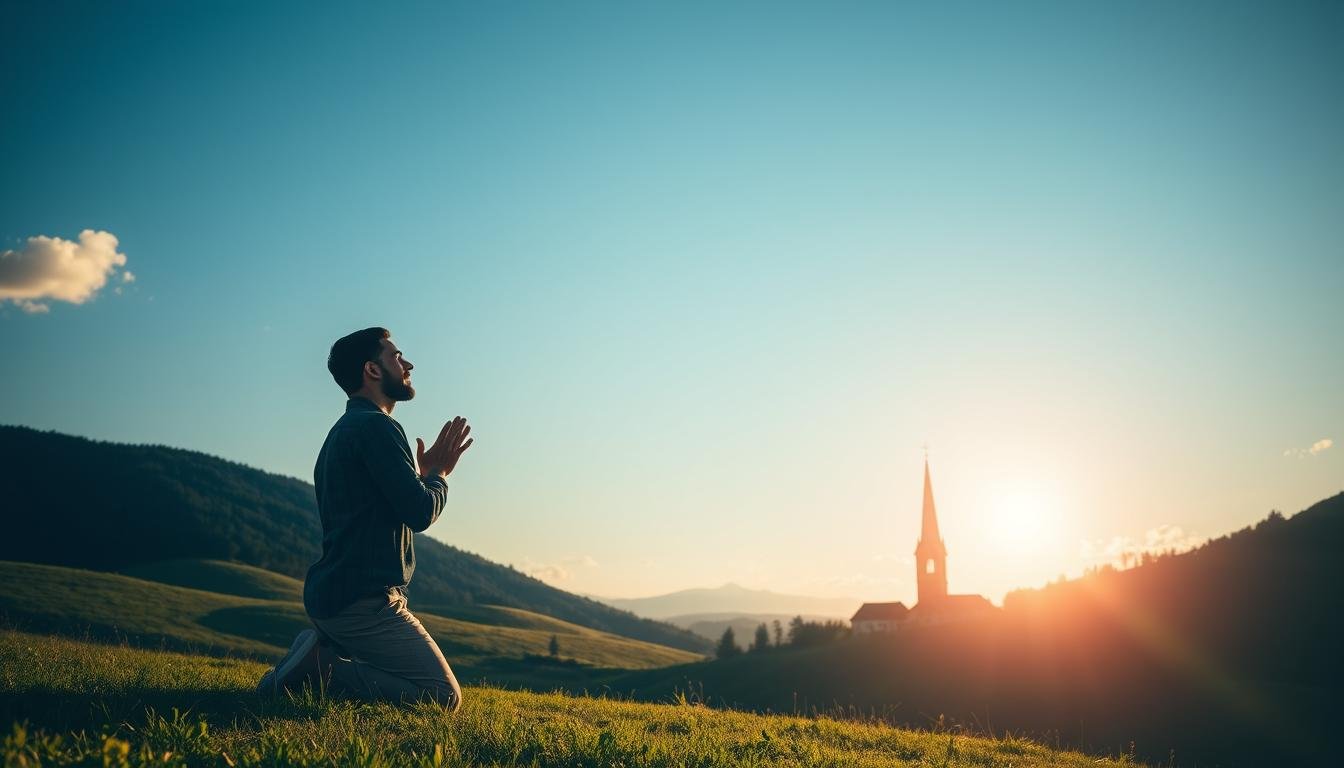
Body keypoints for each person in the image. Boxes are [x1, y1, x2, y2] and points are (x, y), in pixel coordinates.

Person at [255, 327, 473, 707]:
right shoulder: (376, 427)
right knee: (441, 697)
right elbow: (420, 512)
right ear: (372, 370)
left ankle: (318, 652)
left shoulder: (344, 431)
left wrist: (422, 477)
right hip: (363, 604)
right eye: (396, 357)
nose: (408, 364)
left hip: (337, 597)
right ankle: (319, 666)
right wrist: (438, 474)